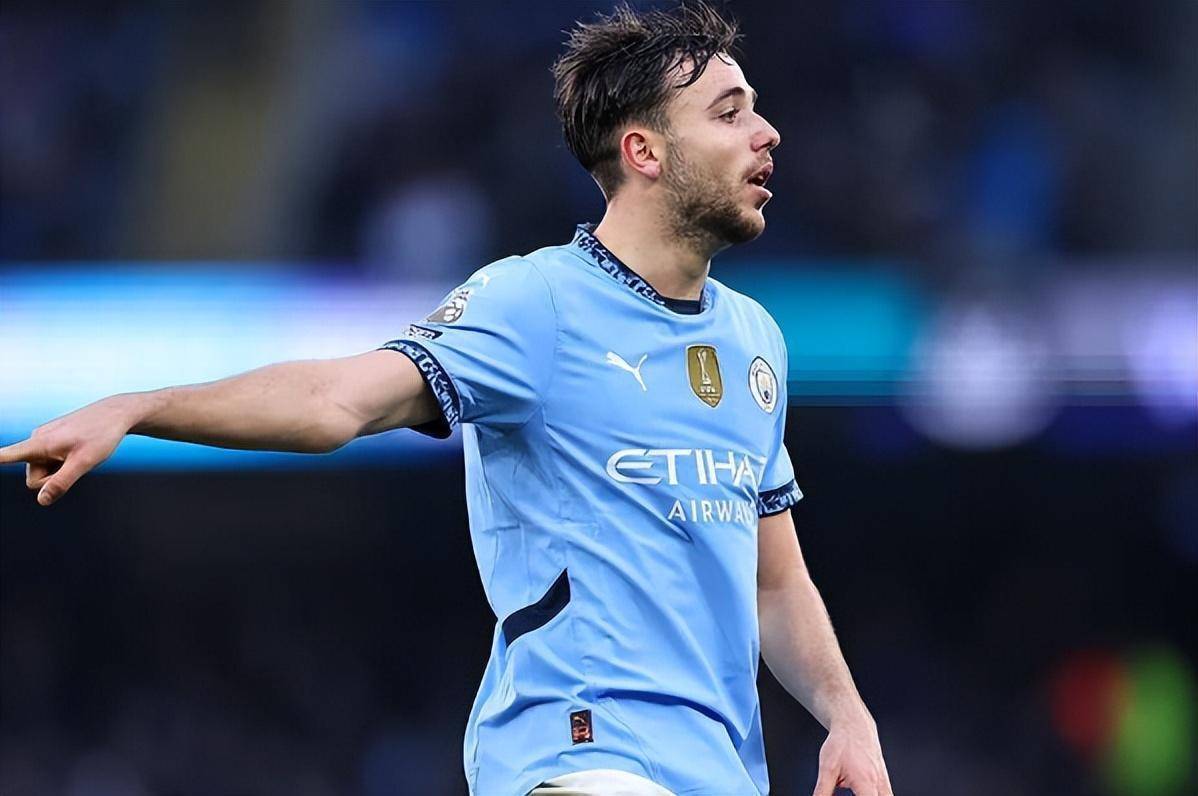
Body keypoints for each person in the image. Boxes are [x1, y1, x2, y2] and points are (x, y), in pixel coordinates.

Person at [0, 3, 892, 794]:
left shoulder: (753, 340)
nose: (767, 132)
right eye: (730, 113)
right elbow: (337, 400)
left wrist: (847, 715)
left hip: (721, 770)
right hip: (580, 750)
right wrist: (142, 406)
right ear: (643, 151)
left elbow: (775, 581)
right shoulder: (536, 302)